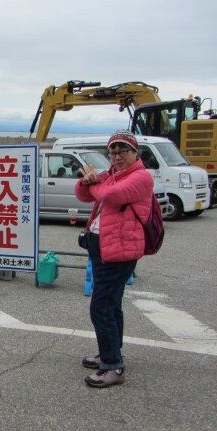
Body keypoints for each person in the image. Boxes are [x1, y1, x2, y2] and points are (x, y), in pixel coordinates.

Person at [75, 130, 153, 388]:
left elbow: (111, 196)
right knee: (111, 304)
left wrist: (97, 182)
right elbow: (84, 195)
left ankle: (112, 365)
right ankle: (110, 353)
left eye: (123, 151)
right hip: (103, 247)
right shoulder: (111, 176)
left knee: (101, 307)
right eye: (113, 151)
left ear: (135, 153)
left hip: (119, 250)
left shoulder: (141, 177)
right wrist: (87, 181)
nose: (117, 156)